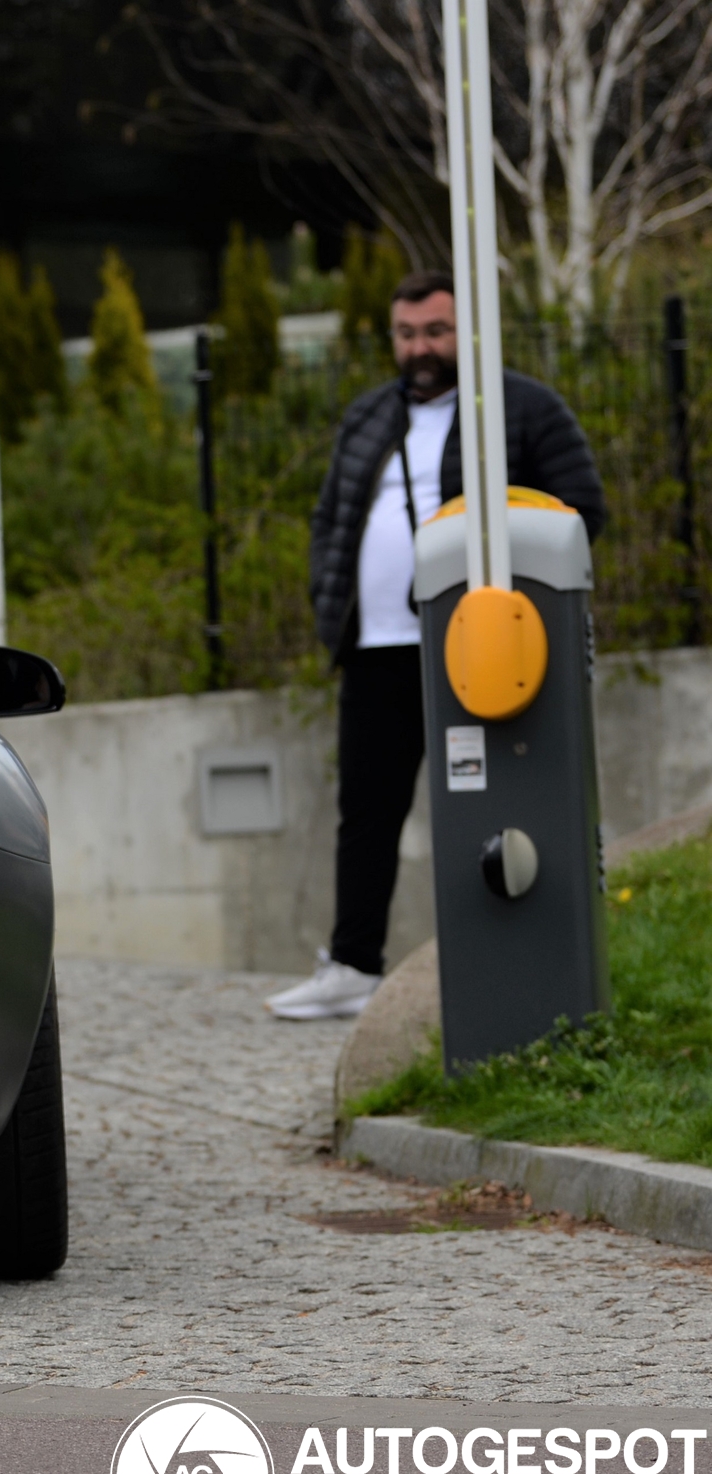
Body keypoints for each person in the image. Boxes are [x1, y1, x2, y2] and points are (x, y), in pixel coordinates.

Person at [265, 271, 607, 1020]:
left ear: (469, 333)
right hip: (376, 648)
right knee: (367, 812)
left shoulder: (523, 408)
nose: (420, 348)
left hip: (478, 649)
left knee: (489, 801)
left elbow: (581, 510)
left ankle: (504, 963)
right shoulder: (368, 417)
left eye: (436, 332)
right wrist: (331, 601)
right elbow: (330, 518)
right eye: (407, 333)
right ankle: (354, 964)